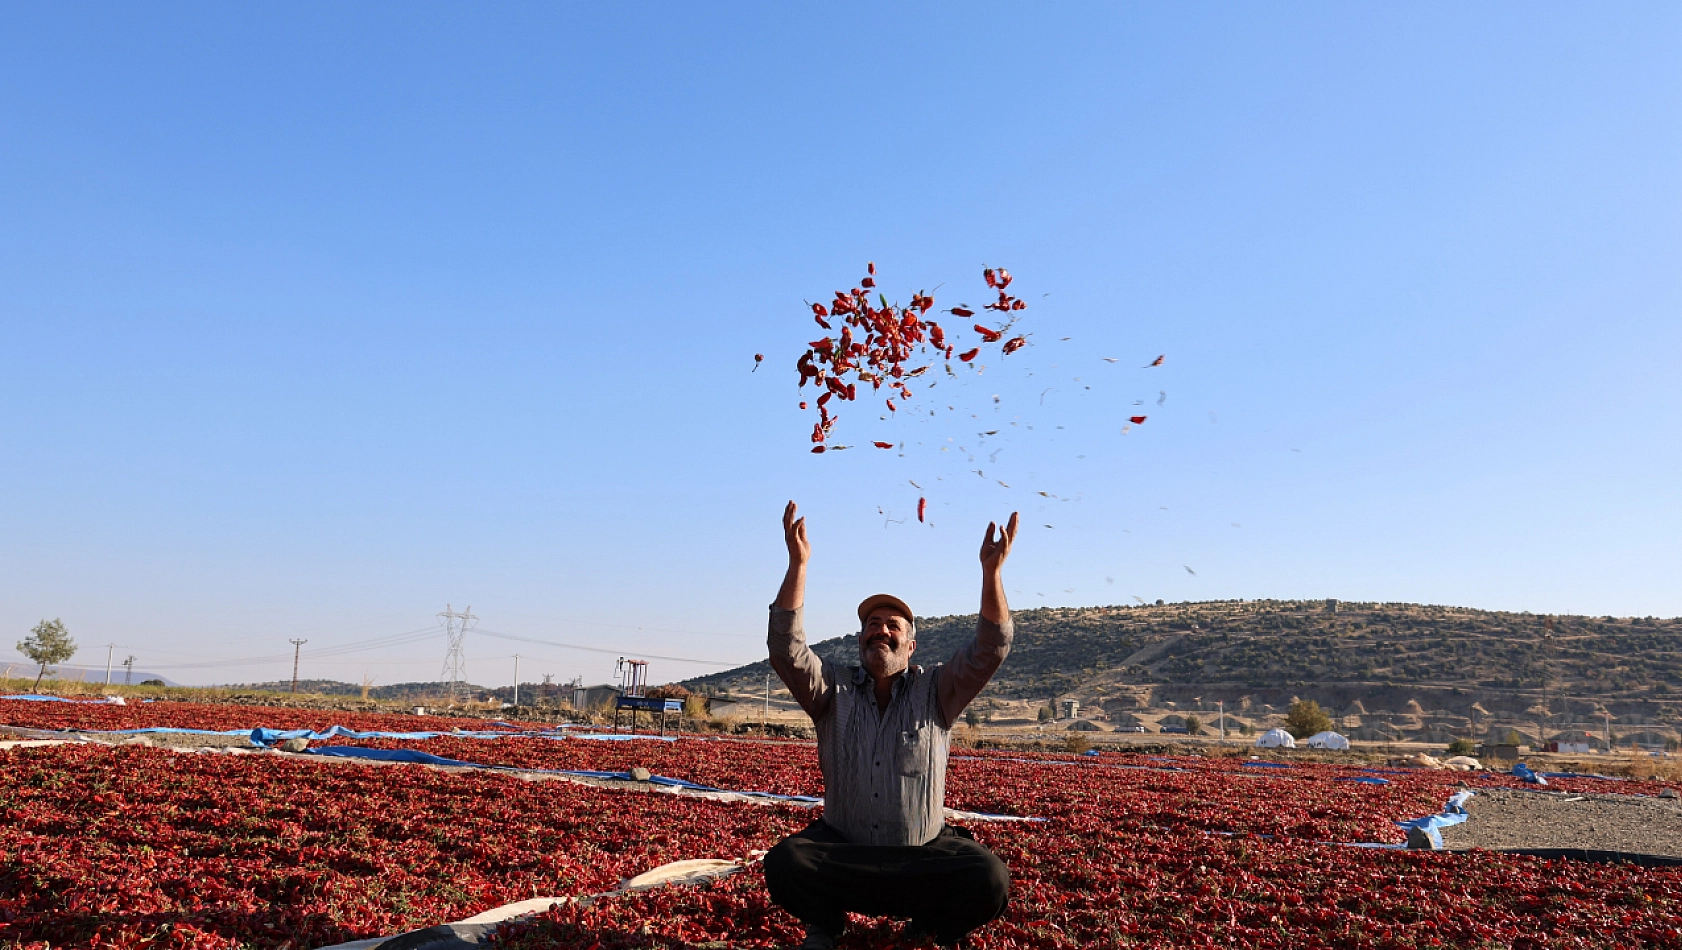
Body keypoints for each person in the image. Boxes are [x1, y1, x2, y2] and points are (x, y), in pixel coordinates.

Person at [763, 500, 1019, 949]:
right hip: (845, 853)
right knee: (786, 862)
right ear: (860, 638)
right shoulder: (831, 690)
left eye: (892, 625)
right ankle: (827, 920)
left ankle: (929, 922)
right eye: (872, 624)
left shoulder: (937, 691)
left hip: (920, 857)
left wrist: (991, 574)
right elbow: (786, 649)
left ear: (911, 644)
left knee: (989, 877)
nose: (881, 630)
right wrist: (798, 563)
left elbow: (990, 648)